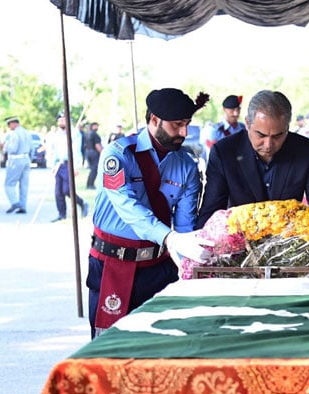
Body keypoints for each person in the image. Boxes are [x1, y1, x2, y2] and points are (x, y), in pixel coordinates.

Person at [87, 88, 214, 338]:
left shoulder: (187, 166)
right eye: (177, 124)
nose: (184, 132)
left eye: (187, 124)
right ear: (154, 120)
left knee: (161, 346)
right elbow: (128, 208)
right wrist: (171, 238)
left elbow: (185, 226)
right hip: (113, 265)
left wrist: (188, 258)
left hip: (159, 267)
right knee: (110, 351)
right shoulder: (118, 155)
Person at [196, 90, 309, 228]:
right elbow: (211, 213)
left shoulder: (306, 152)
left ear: (287, 127)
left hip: (288, 241)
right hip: (239, 242)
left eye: (277, 136)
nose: (268, 145)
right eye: (261, 135)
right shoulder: (224, 153)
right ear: (247, 124)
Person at [48, 114, 88, 222]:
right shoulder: (56, 134)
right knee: (58, 192)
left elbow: (76, 150)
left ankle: (82, 203)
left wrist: (76, 167)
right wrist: (52, 165)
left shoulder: (74, 133)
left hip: (69, 163)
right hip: (58, 165)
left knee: (67, 190)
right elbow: (53, 150)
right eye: (59, 120)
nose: (61, 122)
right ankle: (62, 214)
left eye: (63, 120)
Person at [2, 116, 33, 214]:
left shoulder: (14, 134)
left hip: (16, 159)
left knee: (9, 184)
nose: (9, 126)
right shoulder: (27, 133)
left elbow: (13, 149)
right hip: (26, 158)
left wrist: (4, 146)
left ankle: (15, 202)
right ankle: (23, 206)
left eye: (9, 124)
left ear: (13, 123)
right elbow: (32, 149)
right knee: (24, 185)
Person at [84, 121, 103, 189]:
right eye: (96, 126)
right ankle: (90, 184)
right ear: (93, 126)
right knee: (94, 169)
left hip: (87, 152)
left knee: (92, 169)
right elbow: (97, 145)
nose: (97, 127)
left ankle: (89, 183)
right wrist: (102, 153)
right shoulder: (94, 134)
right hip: (93, 153)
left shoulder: (87, 134)